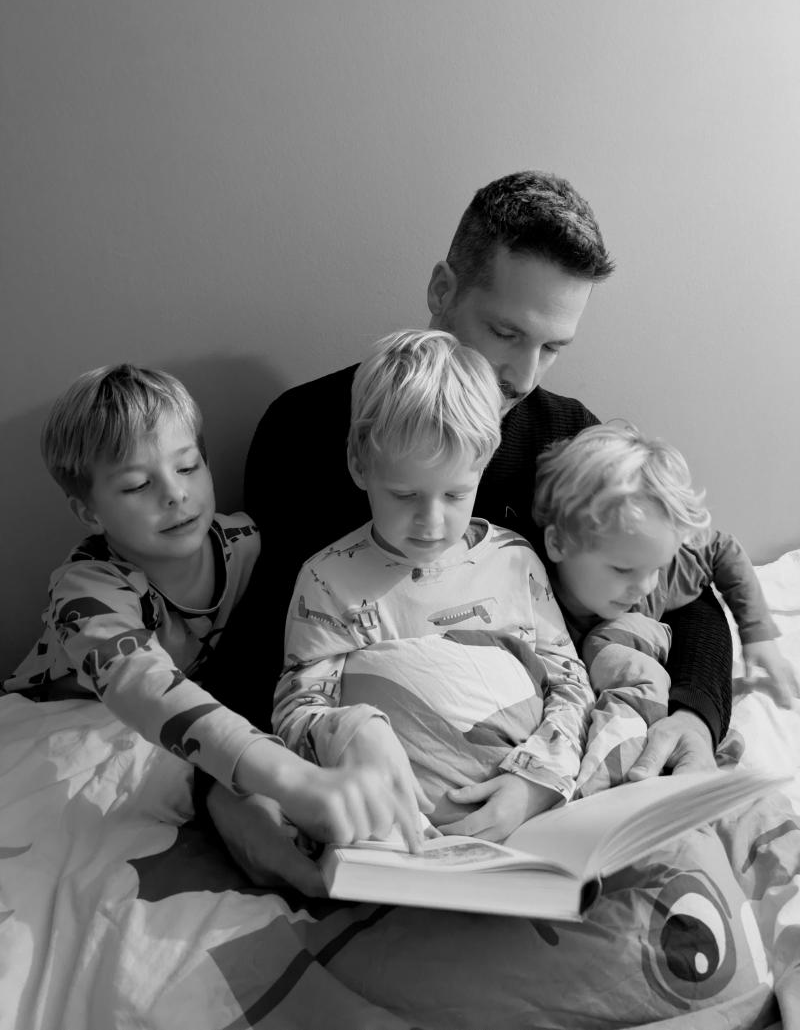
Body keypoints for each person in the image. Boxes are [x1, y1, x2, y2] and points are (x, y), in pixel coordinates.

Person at [201, 169, 733, 889]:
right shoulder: (304, 430)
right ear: (442, 289)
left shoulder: (566, 439)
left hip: (533, 780)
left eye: (554, 347)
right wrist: (223, 789)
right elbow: (266, 638)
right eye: (506, 333)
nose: (524, 375)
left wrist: (696, 714)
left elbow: (678, 590)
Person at [5, 364, 423, 854]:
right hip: (76, 717)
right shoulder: (86, 588)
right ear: (88, 512)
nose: (175, 494)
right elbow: (142, 686)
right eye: (138, 485)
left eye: (187, 467)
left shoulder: (251, 545)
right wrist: (289, 776)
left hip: (203, 720)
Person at [272, 329, 594, 843]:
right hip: (394, 830)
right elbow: (296, 712)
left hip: (528, 816)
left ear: (484, 464)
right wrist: (351, 731)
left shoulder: (514, 561)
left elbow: (570, 685)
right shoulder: (327, 580)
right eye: (404, 495)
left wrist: (535, 783)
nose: (431, 522)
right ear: (359, 464)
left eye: (456, 494)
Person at [532, 422, 793, 796]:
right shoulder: (532, 600)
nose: (645, 587)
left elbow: (724, 550)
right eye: (622, 569)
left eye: (655, 567)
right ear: (558, 543)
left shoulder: (669, 573)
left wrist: (758, 635)